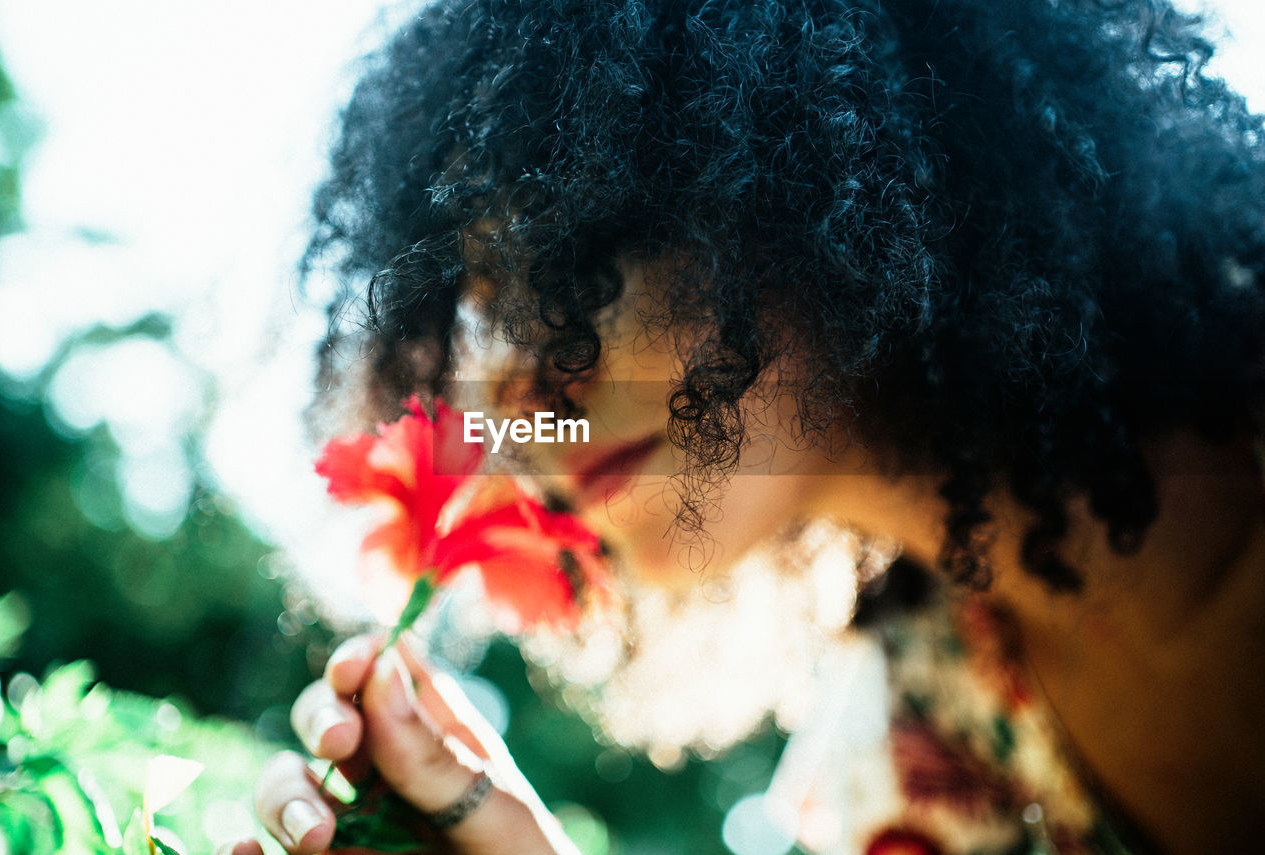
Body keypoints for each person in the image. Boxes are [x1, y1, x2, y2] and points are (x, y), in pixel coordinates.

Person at [227, 1, 1265, 853]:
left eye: (566, 267)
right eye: (486, 324)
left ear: (795, 166)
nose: (517, 410)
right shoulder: (897, 762)